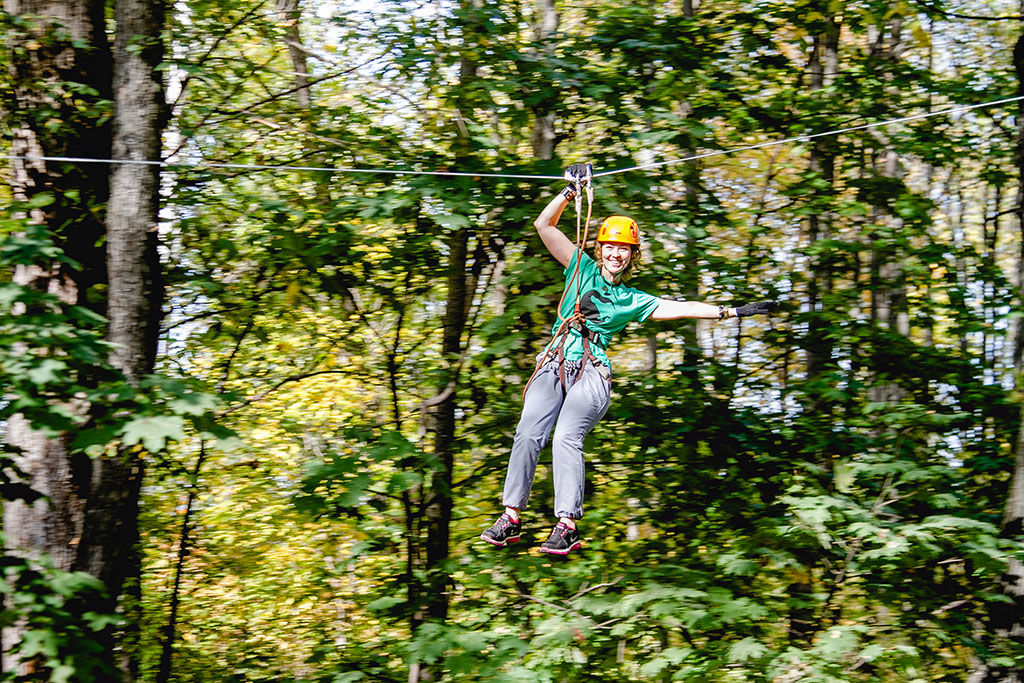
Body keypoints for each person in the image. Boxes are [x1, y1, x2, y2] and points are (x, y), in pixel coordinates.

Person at [480, 163, 776, 555]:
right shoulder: (579, 268)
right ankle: (511, 517)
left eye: (624, 248)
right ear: (599, 248)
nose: (616, 253)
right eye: (611, 246)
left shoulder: (633, 301)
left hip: (591, 373)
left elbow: (681, 307)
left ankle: (566, 524)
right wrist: (570, 192)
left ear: (631, 255)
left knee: (567, 437)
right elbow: (544, 226)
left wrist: (730, 311)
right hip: (553, 362)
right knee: (528, 433)